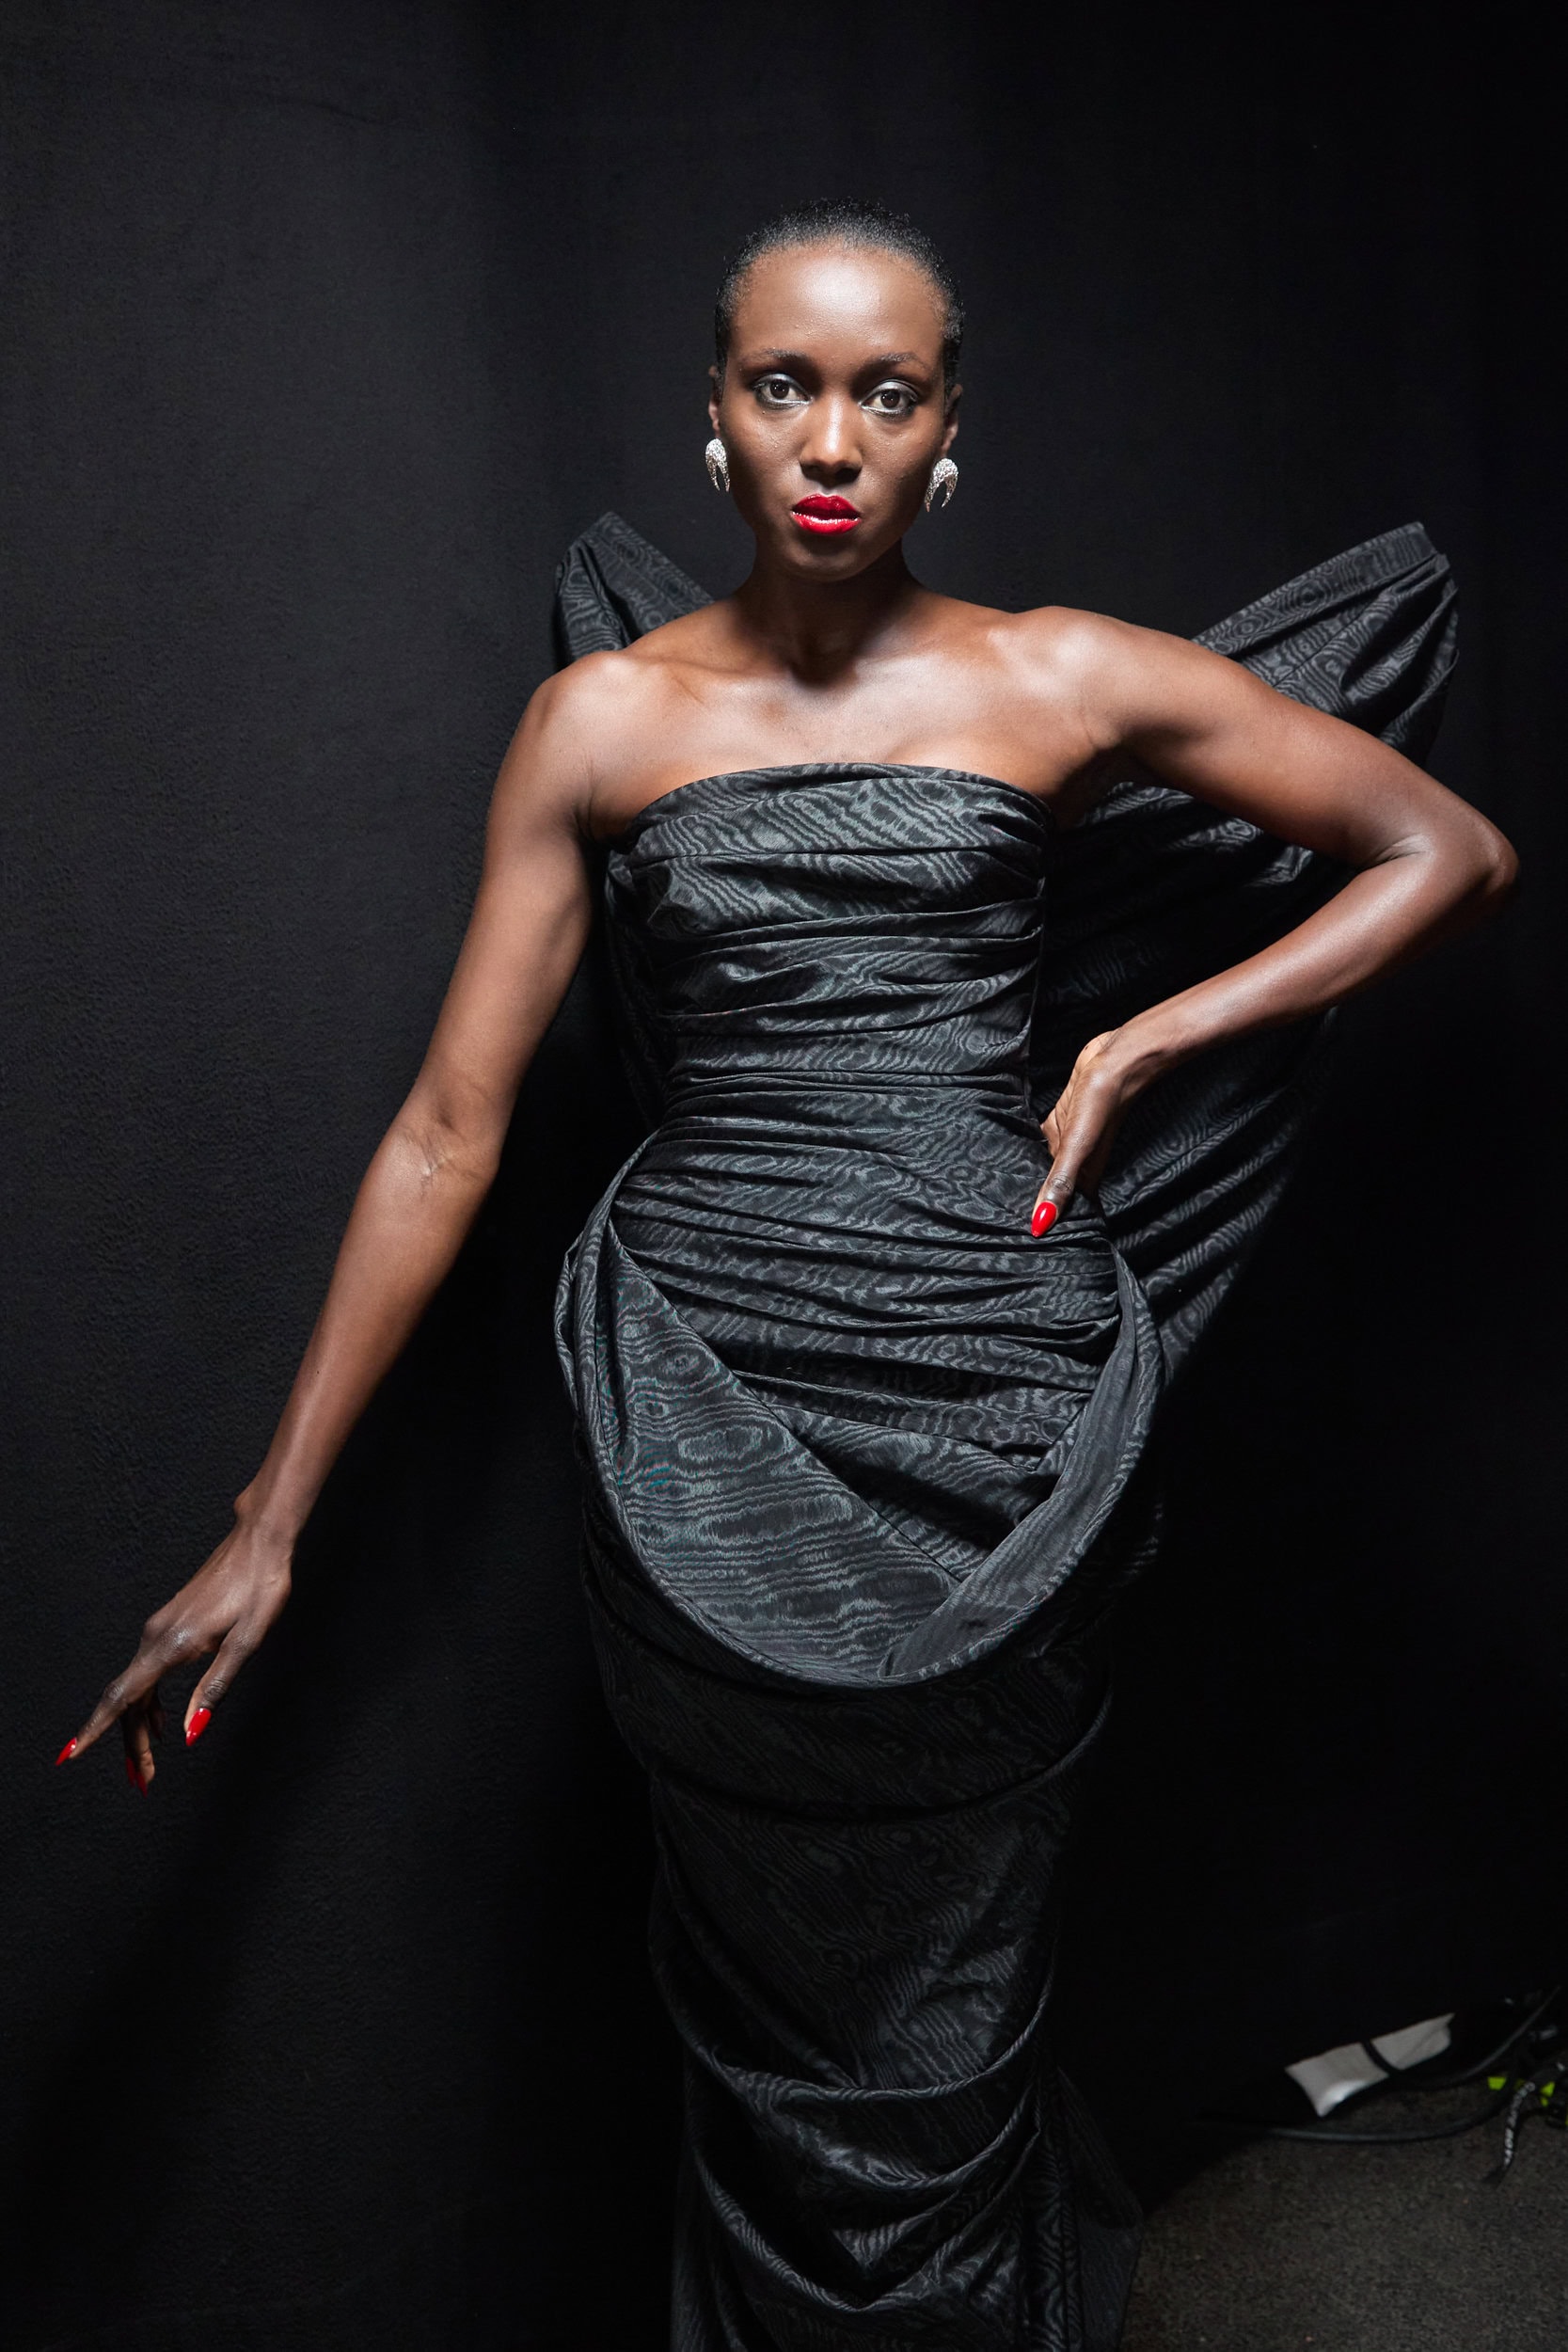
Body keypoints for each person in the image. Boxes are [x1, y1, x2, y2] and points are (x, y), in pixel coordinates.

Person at [57, 202, 1514, 2349]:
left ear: (946, 429)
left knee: (957, 1985)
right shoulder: (598, 720)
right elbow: (448, 1130)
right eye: (786, 386)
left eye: (885, 392)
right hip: (701, 1415)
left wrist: (1151, 1035)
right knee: (777, 1996)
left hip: (995, 1409)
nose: (834, 438)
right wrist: (270, 1520)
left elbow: (1446, 849)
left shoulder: (1058, 672)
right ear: (719, 419)